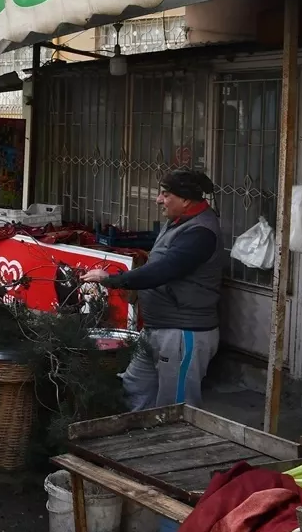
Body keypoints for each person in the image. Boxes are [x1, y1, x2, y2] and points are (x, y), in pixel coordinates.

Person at [81, 169, 225, 411]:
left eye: (165, 194)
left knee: (176, 409)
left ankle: (175, 449)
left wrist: (114, 280)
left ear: (186, 200)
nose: (158, 199)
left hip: (182, 333)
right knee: (134, 391)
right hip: (156, 329)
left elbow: (164, 270)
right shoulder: (178, 222)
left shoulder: (201, 233)